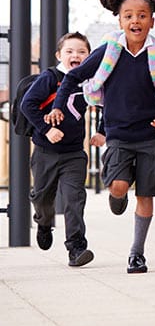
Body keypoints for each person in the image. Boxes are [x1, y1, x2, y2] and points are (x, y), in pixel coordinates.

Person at [47, 0, 155, 274]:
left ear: (152, 22)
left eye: (142, 16)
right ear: (120, 21)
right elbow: (73, 77)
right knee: (120, 186)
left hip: (149, 134)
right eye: (129, 16)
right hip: (118, 134)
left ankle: (137, 254)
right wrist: (58, 106)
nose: (136, 20)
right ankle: (116, 195)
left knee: (145, 195)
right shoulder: (109, 50)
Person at [20, 32, 103, 267]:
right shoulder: (51, 77)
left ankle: (76, 248)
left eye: (82, 52)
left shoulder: (91, 81)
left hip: (74, 153)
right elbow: (28, 104)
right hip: (46, 152)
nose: (75, 55)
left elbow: (107, 103)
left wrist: (103, 131)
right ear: (59, 55)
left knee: (74, 200)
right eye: (69, 51)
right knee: (42, 198)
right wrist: (46, 129)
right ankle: (44, 222)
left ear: (89, 57)